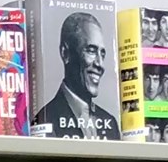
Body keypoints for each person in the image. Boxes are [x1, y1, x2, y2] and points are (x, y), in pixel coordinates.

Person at [37, 10, 121, 139]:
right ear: (66, 54)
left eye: (102, 54)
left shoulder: (111, 124)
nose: (100, 64)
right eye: (91, 51)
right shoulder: (45, 120)